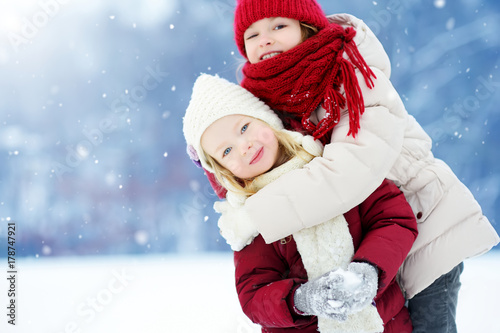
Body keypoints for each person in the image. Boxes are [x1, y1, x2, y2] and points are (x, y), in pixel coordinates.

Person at [200, 1, 500, 332]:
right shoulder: (264, 99)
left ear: (306, 26)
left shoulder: (352, 71)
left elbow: (352, 169)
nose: (265, 39)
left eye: (278, 26)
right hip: (368, 232)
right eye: (252, 34)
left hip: (420, 223)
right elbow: (249, 160)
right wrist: (208, 153)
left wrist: (254, 216)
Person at [183, 73, 418, 332]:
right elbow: (254, 296)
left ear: (267, 120)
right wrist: (302, 299)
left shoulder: (335, 165)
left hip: (385, 323)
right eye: (226, 151)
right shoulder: (249, 218)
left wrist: (370, 269)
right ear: (223, 170)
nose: (244, 146)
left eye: (244, 128)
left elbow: (393, 218)